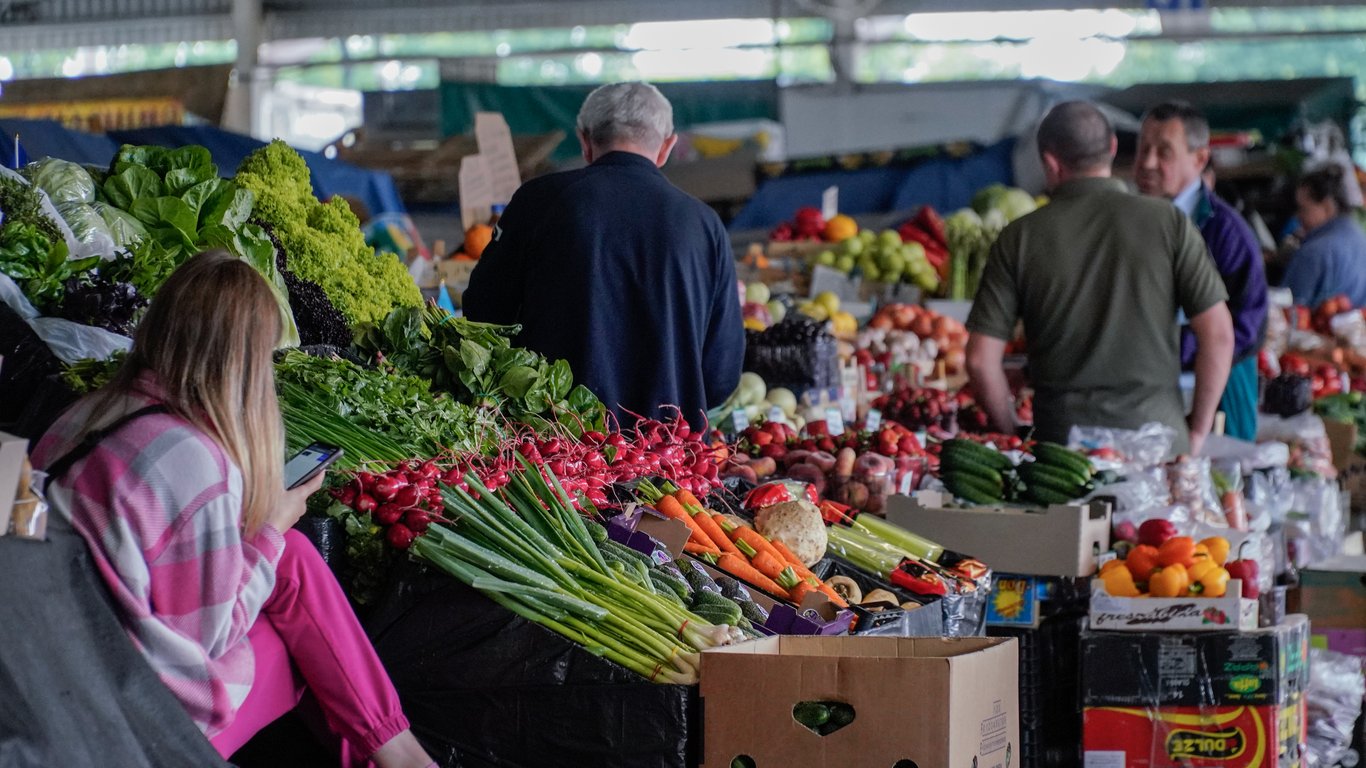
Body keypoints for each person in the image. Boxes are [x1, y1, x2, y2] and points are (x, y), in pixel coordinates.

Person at [30, 252, 434, 768]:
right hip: (132, 728)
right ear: (241, 362)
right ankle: (400, 756)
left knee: (294, 562)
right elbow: (209, 635)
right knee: (306, 646)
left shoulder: (84, 413)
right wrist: (269, 529)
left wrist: (269, 541)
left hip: (53, 680)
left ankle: (397, 754)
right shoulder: (189, 458)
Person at [462, 81, 744, 431]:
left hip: (558, 457)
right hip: (671, 466)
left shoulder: (538, 202)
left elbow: (483, 314)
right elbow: (720, 375)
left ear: (584, 140)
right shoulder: (704, 225)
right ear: (667, 147)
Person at [966, 101, 1235, 456]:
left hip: (1062, 457)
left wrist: (1010, 429)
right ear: (1112, 147)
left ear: (1049, 161)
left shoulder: (1019, 238)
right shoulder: (1169, 223)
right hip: (1159, 448)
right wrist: (1197, 431)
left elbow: (979, 360)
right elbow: (1218, 335)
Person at [1134, 101, 1268, 442]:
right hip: (1152, 393)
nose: (1147, 162)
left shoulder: (1226, 232)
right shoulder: (1134, 222)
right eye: (1143, 148)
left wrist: (1178, 348)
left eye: (1164, 152)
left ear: (1199, 159)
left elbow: (1247, 326)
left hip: (1216, 393)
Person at [1282, 165, 1366, 309]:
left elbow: (1288, 311)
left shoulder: (1314, 252)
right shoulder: (1359, 236)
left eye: (1303, 209)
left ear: (1327, 207)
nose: (1298, 216)